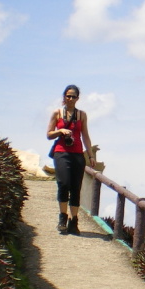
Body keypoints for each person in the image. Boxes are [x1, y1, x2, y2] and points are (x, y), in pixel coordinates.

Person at [47, 85, 97, 235]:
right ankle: (63, 217)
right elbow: (49, 134)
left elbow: (85, 136)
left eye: (73, 96)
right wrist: (60, 131)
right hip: (61, 153)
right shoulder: (57, 113)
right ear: (64, 97)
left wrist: (90, 155)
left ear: (77, 99)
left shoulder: (82, 115)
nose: (70, 99)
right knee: (64, 184)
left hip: (77, 154)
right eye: (68, 96)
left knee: (76, 188)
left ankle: (74, 221)